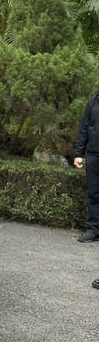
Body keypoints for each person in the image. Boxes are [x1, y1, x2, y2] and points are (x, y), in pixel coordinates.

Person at [74, 94, 99, 244]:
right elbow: (84, 127)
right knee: (94, 193)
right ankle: (93, 229)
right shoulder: (93, 101)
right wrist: (79, 154)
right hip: (94, 155)